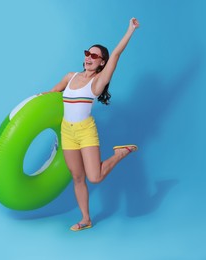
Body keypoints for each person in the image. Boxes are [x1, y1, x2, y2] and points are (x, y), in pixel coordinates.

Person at [49, 17, 140, 231]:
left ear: (102, 63)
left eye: (95, 56)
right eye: (87, 53)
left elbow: (116, 54)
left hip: (85, 131)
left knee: (95, 177)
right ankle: (86, 219)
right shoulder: (70, 77)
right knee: (77, 177)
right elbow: (51, 94)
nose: (89, 57)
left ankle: (121, 153)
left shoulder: (97, 82)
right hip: (67, 131)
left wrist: (130, 30)